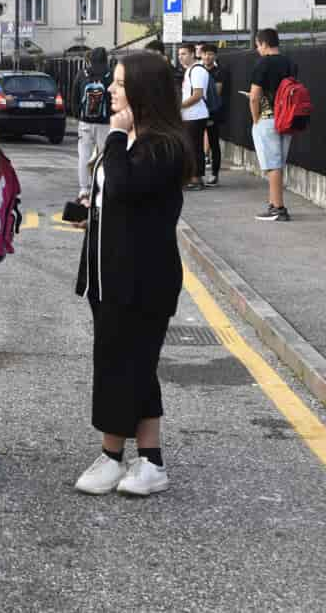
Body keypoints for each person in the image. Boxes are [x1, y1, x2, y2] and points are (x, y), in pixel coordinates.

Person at [74, 50, 193, 498]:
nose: (110, 89)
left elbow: (124, 186)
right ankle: (150, 461)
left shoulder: (161, 144)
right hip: (110, 277)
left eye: (120, 83)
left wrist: (115, 137)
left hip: (142, 281)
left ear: (143, 90)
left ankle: (111, 456)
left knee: (119, 366)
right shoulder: (137, 138)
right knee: (136, 368)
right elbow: (114, 196)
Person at [249, 28, 296, 222]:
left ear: (264, 44)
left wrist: (255, 118)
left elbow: (254, 96)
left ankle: (278, 208)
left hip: (268, 118)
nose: (258, 49)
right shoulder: (290, 63)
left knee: (272, 164)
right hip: (288, 117)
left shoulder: (263, 63)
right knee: (279, 163)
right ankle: (273, 203)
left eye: (258, 45)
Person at [72, 47, 113, 202]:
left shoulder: (83, 74)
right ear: (106, 59)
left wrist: (78, 115)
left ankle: (84, 189)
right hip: (105, 122)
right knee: (104, 156)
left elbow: (74, 95)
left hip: (85, 122)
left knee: (84, 155)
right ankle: (104, 187)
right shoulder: (111, 74)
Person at [177, 44, 210, 190]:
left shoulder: (197, 71)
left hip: (196, 115)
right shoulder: (190, 70)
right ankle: (193, 177)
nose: (180, 57)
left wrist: (180, 107)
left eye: (184, 54)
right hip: (190, 115)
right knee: (191, 147)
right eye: (179, 54)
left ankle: (196, 179)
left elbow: (197, 95)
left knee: (194, 147)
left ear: (192, 54)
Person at [201, 43, 227, 186]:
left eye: (210, 54)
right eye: (205, 54)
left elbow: (216, 92)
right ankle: (197, 174)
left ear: (215, 56)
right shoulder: (198, 70)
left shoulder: (219, 72)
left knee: (214, 142)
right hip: (197, 112)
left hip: (213, 112)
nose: (207, 57)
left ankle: (214, 173)